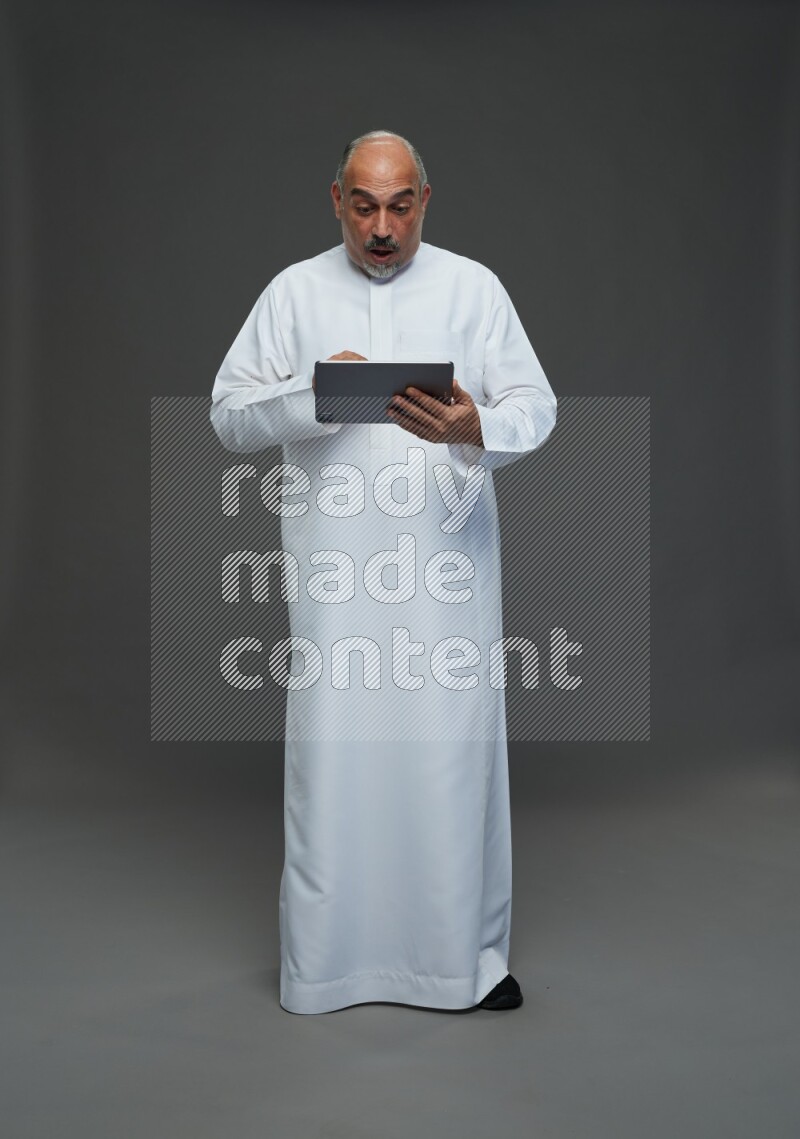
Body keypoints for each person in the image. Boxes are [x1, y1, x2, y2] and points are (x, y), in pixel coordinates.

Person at [210, 130, 557, 1014]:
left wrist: (475, 424)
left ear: (426, 202)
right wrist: (317, 393)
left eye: (400, 204)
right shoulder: (294, 292)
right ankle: (326, 968)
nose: (381, 226)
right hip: (335, 580)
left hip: (446, 575)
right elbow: (230, 416)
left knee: (449, 759)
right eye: (363, 204)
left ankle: (461, 964)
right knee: (335, 765)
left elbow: (536, 405)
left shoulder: (473, 288)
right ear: (335, 200)